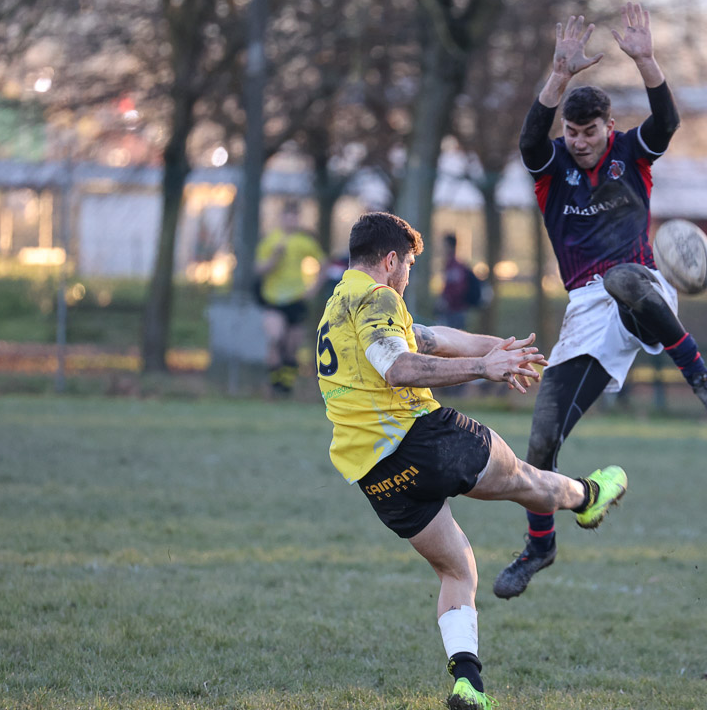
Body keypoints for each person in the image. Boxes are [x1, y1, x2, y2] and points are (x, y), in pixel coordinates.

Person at [315, 212, 628, 710]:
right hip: (423, 439)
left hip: (375, 474)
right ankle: (588, 498)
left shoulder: (338, 305)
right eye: (410, 265)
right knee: (527, 481)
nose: (408, 275)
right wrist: (485, 367)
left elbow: (429, 337)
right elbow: (399, 366)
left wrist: (498, 348)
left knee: (457, 569)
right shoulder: (378, 297)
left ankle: (468, 684)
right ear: (392, 260)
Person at [492, 4, 707, 601]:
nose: (578, 143)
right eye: (571, 133)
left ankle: (701, 377)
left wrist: (647, 60)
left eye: (589, 132)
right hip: (586, 313)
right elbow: (529, 137)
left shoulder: (633, 154)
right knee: (542, 441)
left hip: (642, 289)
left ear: (607, 126)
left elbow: (668, 120)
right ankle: (540, 546)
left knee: (625, 277)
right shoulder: (552, 168)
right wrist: (557, 75)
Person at [254, 198, 325, 395]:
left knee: (292, 346)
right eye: (288, 217)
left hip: (296, 299)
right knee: (275, 337)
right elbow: (259, 269)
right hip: (274, 299)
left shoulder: (304, 241)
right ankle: (275, 385)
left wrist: (314, 288)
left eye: (295, 217)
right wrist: (274, 259)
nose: (291, 221)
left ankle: (286, 387)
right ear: (281, 218)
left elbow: (323, 263)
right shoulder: (271, 240)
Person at [435, 234, 481, 330]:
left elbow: (457, 288)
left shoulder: (455, 266)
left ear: (451, 246)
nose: (443, 249)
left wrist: (447, 301)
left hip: (456, 309)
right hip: (452, 309)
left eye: (445, 245)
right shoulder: (449, 264)